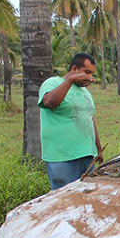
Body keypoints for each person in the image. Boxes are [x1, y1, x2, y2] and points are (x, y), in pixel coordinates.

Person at [39, 52, 103, 190]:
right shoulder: (52, 83)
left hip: (87, 155)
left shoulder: (85, 92)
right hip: (62, 157)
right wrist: (70, 80)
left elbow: (90, 119)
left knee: (86, 195)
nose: (90, 78)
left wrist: (98, 149)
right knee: (65, 196)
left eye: (92, 74)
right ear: (74, 69)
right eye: (87, 72)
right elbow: (49, 102)